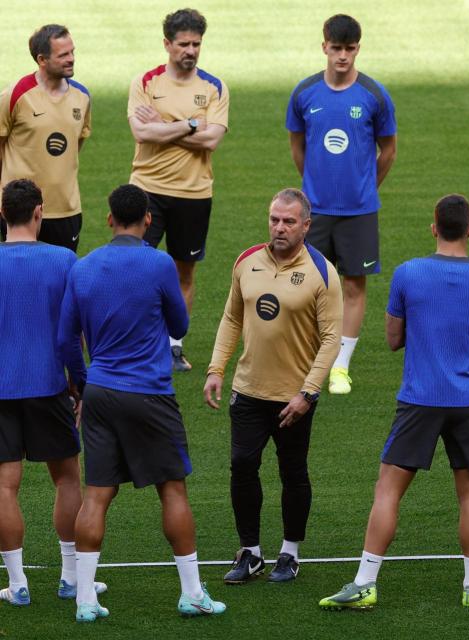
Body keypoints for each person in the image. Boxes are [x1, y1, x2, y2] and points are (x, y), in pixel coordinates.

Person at [318, 194, 469, 609]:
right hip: (467, 402)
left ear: (433, 228)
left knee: (388, 490)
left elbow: (393, 339)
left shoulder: (409, 273)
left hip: (419, 400)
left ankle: (365, 582)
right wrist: (465, 333)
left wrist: (427, 328)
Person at [58, 184, 225, 622]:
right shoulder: (160, 264)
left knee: (96, 494)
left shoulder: (83, 267)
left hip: (100, 392)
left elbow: (65, 340)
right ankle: (192, 593)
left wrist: (82, 384)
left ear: (109, 219)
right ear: (148, 220)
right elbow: (179, 324)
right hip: (149, 392)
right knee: (172, 489)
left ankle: (85, 600)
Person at [204, 189, 342, 585]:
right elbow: (232, 318)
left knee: (293, 472)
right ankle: (250, 552)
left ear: (306, 226)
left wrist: (308, 393)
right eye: (274, 219)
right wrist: (216, 368)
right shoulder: (247, 261)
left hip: (294, 398)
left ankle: (290, 552)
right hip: (248, 390)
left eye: (288, 221)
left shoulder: (322, 273)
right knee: (242, 466)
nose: (279, 228)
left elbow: (331, 338)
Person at [0, 179, 105, 607]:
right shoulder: (64, 260)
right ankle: (70, 578)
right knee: (67, 478)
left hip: (1, 389)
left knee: (4, 486)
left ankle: (18, 584)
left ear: (2, 213)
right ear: (39, 212)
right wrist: (79, 383)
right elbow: (72, 335)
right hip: (49, 385)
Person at [286, 14, 397, 395]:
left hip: (359, 211)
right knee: (309, 284)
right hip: (315, 211)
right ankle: (310, 358)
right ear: (324, 47)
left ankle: (340, 367)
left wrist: (366, 186)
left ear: (358, 49)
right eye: (336, 48)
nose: (343, 56)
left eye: (350, 49)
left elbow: (388, 150)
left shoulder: (374, 95)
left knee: (353, 285)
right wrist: (313, 185)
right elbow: (297, 146)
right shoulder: (305, 93)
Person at [127, 8, 229, 372]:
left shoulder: (214, 87)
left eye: (196, 44)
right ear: (167, 44)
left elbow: (212, 141)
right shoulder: (146, 82)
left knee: (184, 273)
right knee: (135, 268)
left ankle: (173, 347)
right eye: (184, 44)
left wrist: (165, 125)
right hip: (147, 189)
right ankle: (138, 344)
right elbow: (142, 133)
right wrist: (190, 125)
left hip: (194, 193)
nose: (191, 51)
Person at [0, 25, 91, 252]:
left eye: (72, 52)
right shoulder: (15, 95)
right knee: (20, 273)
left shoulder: (82, 97)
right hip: (20, 211)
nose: (71, 59)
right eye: (63, 55)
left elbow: (75, 146)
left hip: (66, 210)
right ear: (42, 59)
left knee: (63, 272)